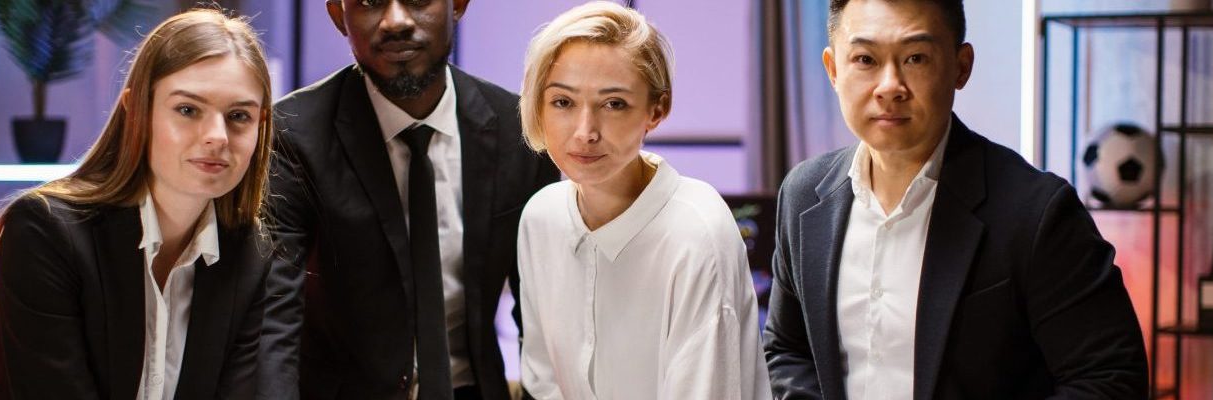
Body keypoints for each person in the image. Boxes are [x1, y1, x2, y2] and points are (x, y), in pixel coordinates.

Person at [763, 1, 1149, 399]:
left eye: (916, 58)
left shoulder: (1036, 212)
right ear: (833, 69)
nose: (890, 86)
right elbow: (788, 350)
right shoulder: (803, 194)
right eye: (865, 59)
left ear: (961, 66)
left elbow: (1111, 379)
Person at [257, 0, 559, 398]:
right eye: (368, 2)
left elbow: (542, 321)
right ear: (337, 16)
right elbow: (274, 320)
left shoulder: (520, 132)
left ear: (458, 5)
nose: (395, 20)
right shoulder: (293, 137)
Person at [0, 8, 274, 400]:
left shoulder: (249, 251)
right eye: (188, 110)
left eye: (239, 116)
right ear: (136, 110)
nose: (217, 136)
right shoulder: (44, 232)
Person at [512, 3, 770, 399]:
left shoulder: (697, 232)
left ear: (657, 109)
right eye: (563, 102)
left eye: (614, 104)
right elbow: (544, 382)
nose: (585, 132)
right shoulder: (540, 217)